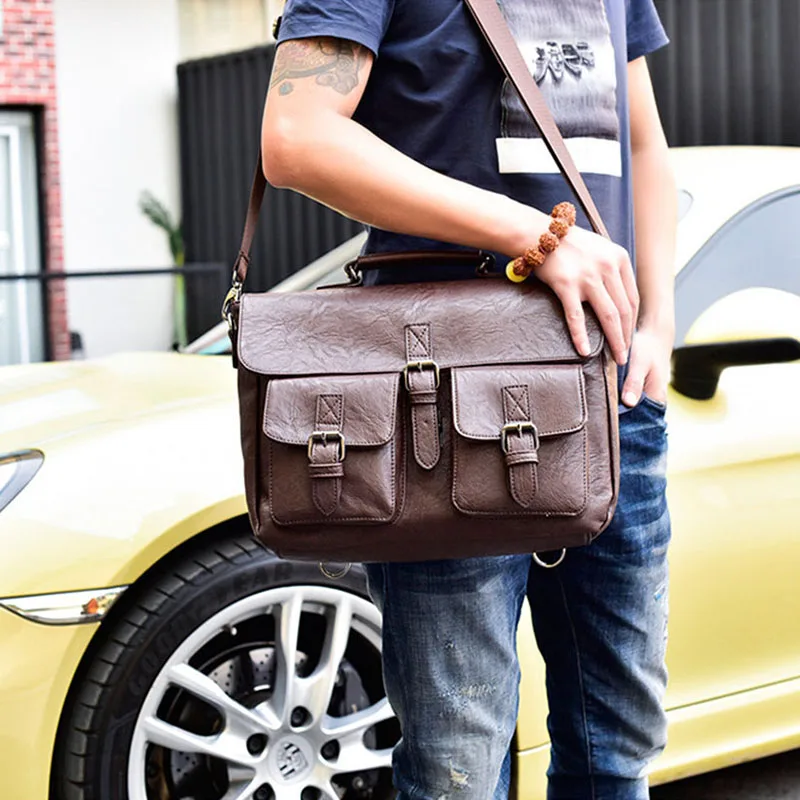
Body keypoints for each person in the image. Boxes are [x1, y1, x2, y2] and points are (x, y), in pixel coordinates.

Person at [262, 0, 676, 797]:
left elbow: (645, 140)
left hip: (612, 393)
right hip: (440, 405)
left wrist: (660, 324)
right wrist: (536, 237)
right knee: (458, 766)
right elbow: (297, 136)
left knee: (620, 746)